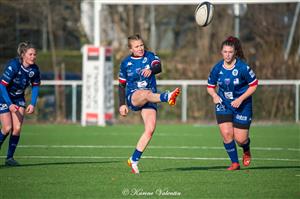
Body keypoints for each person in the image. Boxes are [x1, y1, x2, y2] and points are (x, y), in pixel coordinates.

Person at [118, 34, 180, 174]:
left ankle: (133, 160)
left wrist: (151, 70)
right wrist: (122, 104)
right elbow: (121, 85)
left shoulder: (150, 56)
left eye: (141, 45)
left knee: (150, 129)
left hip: (151, 98)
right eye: (136, 46)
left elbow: (158, 67)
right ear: (130, 49)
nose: (140, 48)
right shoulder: (125, 63)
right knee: (144, 93)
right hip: (134, 96)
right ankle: (168, 96)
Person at [207, 36, 258, 170]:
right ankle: (235, 163)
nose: (227, 55)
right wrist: (214, 95)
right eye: (225, 52)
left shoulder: (242, 68)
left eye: (230, 52)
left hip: (242, 106)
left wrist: (241, 99)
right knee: (226, 134)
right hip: (223, 104)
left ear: (235, 52)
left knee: (240, 139)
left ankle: (246, 149)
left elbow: (254, 85)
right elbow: (210, 86)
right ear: (221, 52)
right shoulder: (217, 68)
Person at [0, 41, 40, 166]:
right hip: (4, 97)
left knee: (17, 129)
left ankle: (9, 158)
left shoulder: (34, 69)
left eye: (34, 54)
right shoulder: (14, 66)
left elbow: (35, 87)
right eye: (30, 54)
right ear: (23, 54)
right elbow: (2, 86)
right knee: (7, 128)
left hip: (18, 98)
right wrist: (9, 104)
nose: (33, 57)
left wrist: (32, 103)